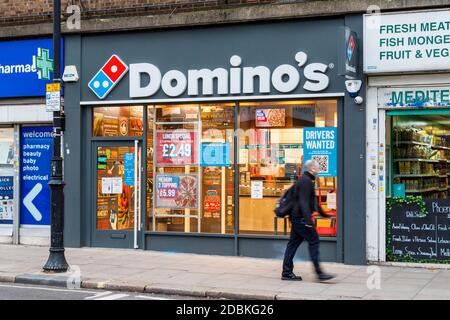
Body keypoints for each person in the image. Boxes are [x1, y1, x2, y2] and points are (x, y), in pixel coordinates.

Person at [281, 160, 335, 282]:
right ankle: (319, 273)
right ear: (312, 169)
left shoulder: (306, 180)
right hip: (300, 219)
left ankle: (287, 272)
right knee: (314, 241)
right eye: (317, 168)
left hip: (296, 218)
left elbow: (314, 202)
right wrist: (308, 221)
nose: (318, 170)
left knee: (292, 244)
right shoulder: (306, 182)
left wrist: (324, 214)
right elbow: (304, 202)